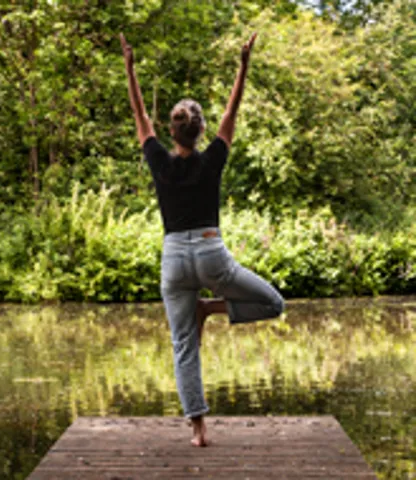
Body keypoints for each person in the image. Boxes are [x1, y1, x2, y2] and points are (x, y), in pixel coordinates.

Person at [119, 32, 285, 447]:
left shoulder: (158, 160)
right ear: (202, 130)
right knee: (274, 304)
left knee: (184, 346)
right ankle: (210, 307)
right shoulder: (213, 159)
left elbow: (139, 113)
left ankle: (198, 431)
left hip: (174, 257)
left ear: (172, 131)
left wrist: (130, 68)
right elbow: (233, 109)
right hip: (212, 253)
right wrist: (243, 65)